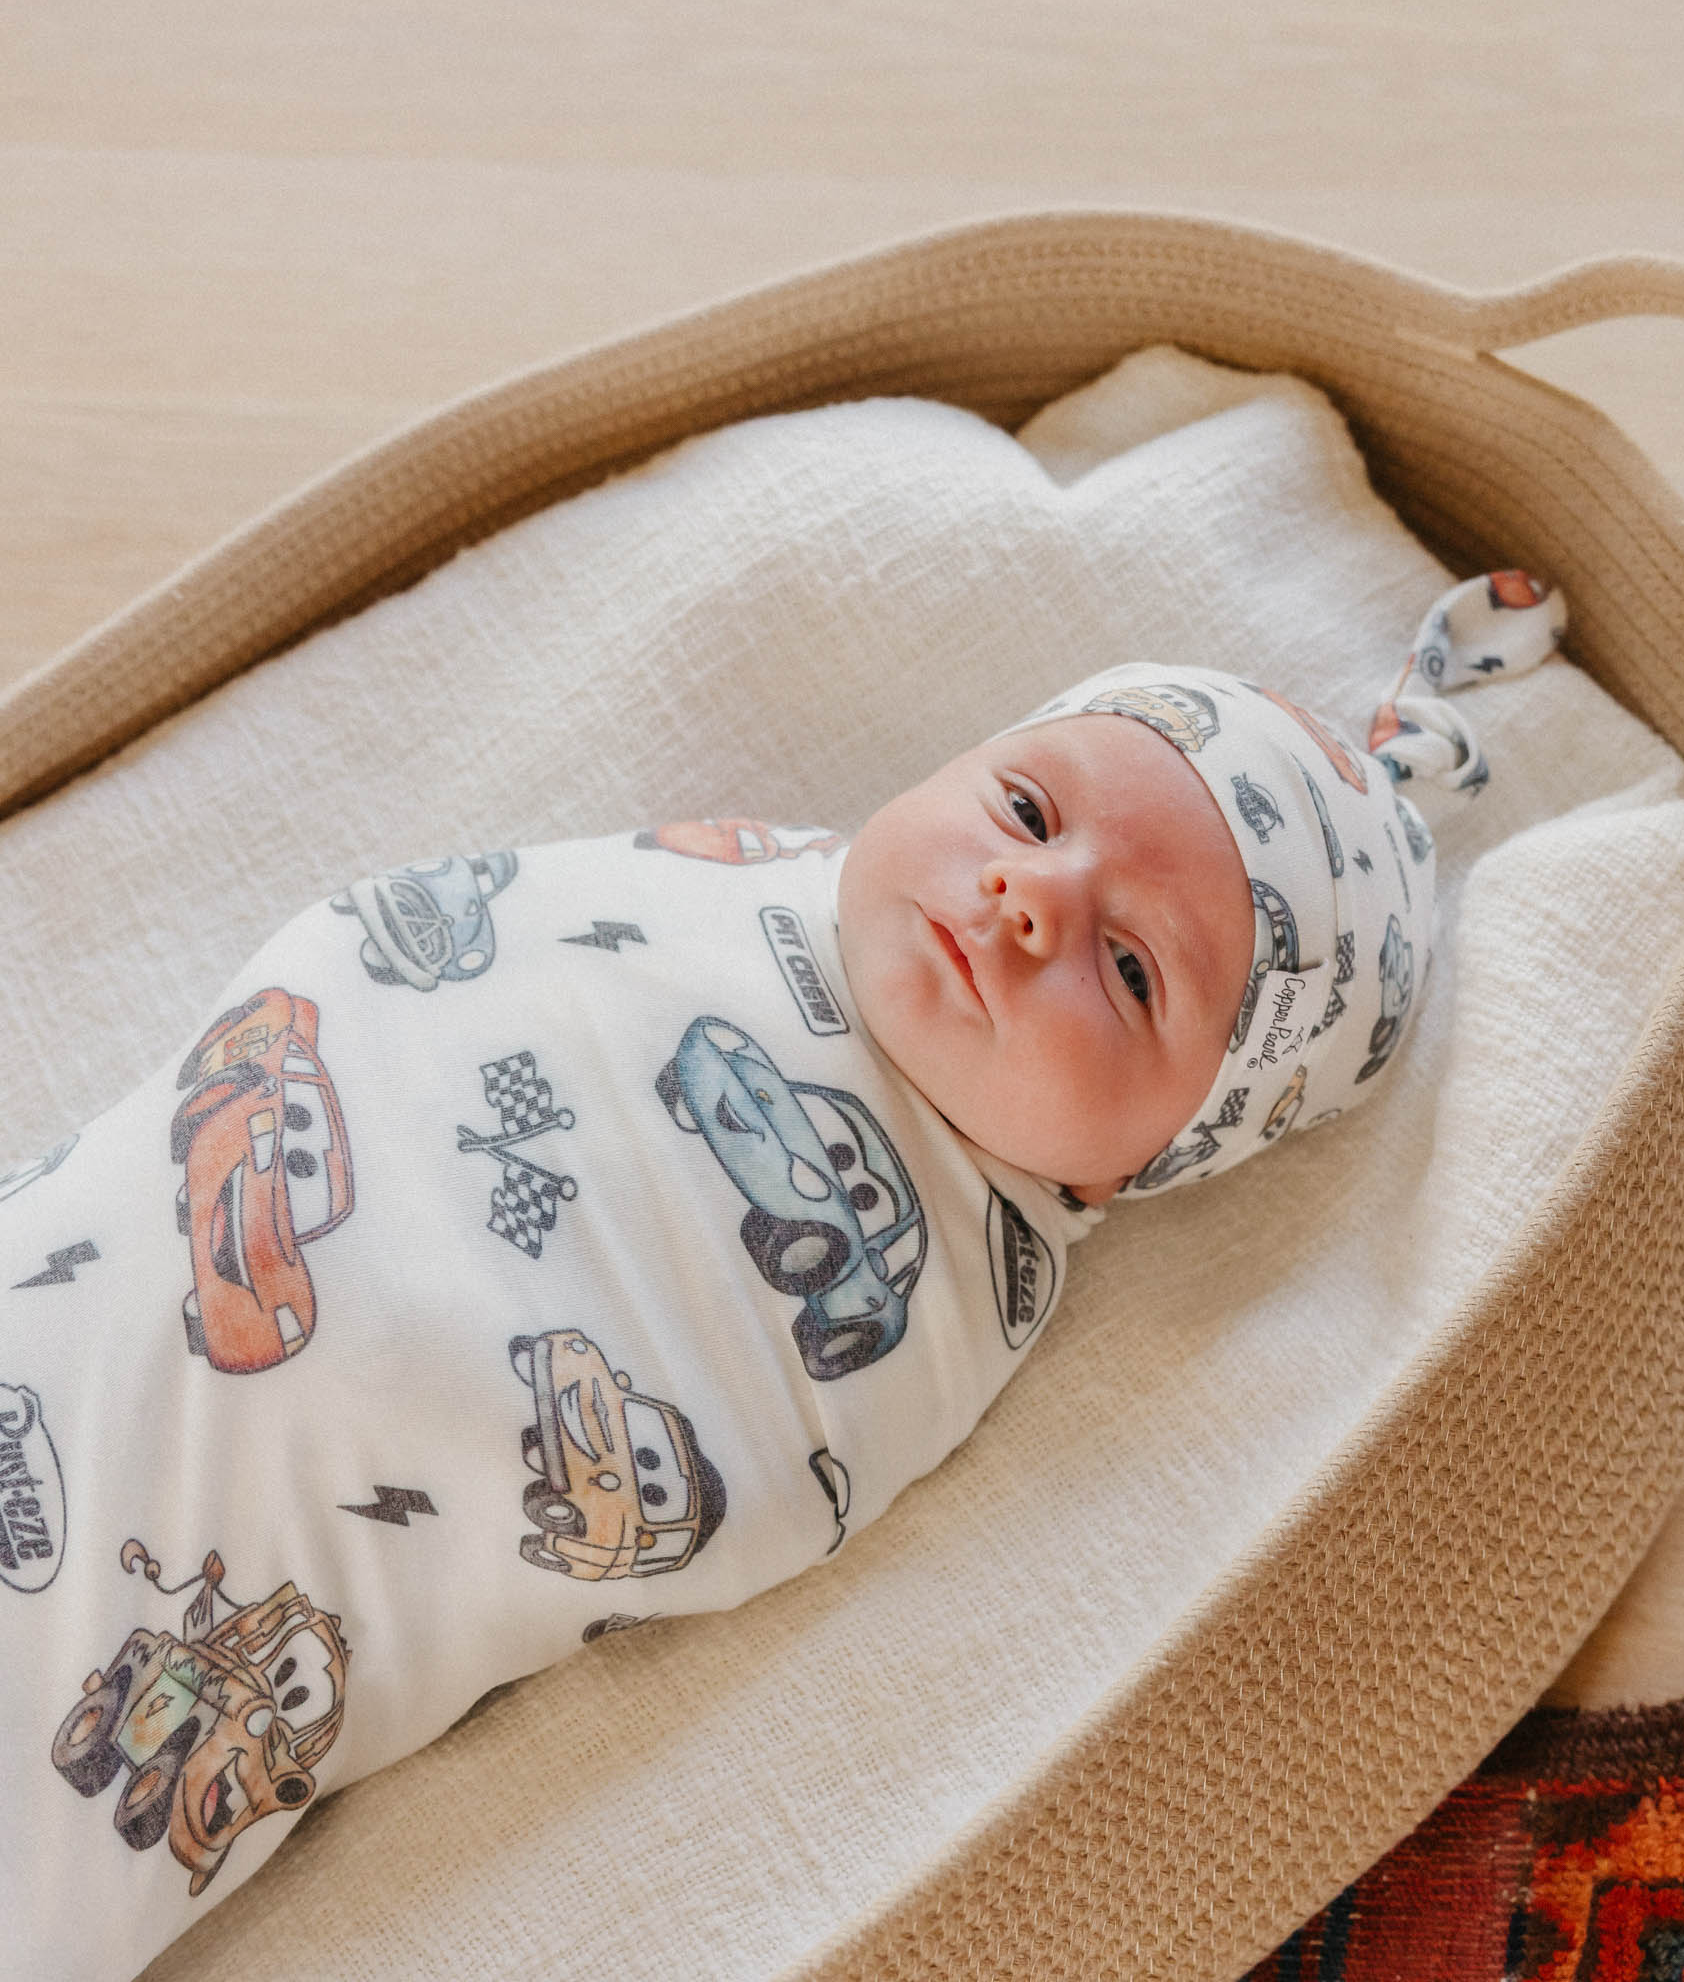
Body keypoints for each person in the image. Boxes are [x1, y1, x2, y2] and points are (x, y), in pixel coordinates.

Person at [0, 572, 1559, 1980]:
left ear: (1159, 1155)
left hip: (253, 1519)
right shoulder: (736, 880)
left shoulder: (949, 1291)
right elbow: (425, 961)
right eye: (1026, 808)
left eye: (1132, 968)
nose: (1033, 895)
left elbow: (693, 1476)